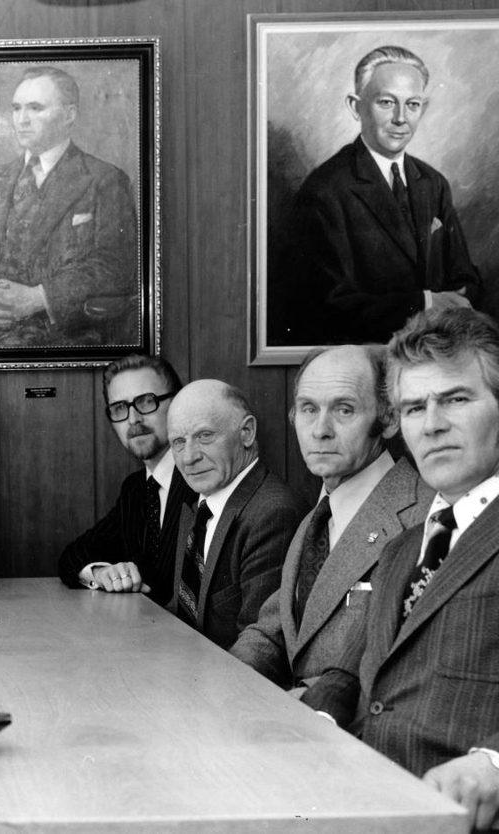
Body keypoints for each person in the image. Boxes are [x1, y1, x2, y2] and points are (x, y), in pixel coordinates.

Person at [302, 309, 499, 830]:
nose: (432, 424)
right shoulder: (402, 549)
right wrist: (311, 720)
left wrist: (495, 764)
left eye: (456, 399)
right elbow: (350, 671)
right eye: (414, 407)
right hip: (365, 798)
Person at [230, 345, 433, 692]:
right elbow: (276, 630)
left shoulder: (425, 519)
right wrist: (220, 681)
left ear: (388, 419)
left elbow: (411, 668)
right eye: (309, 409)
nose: (320, 430)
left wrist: (309, 701)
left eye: (344, 409)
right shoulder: (318, 515)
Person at [291, 45, 480, 344]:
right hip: (367, 354)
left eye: (412, 104)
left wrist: (458, 300)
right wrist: (426, 302)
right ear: (356, 107)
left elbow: (465, 277)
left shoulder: (433, 183)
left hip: (434, 353)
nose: (401, 118)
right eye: (387, 102)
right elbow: (330, 303)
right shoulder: (325, 190)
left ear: (423, 109)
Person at [0, 66, 138, 347]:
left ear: (69, 115)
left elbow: (115, 266)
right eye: (16, 108)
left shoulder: (105, 180)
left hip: (62, 338)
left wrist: (36, 299)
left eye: (35, 108)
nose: (22, 120)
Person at [167, 379, 307, 650]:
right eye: (178, 442)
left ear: (247, 433)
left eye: (205, 436)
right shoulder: (201, 504)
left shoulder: (273, 514)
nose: (188, 457)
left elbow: (262, 645)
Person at [57, 354, 196, 607]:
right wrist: (101, 572)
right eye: (120, 408)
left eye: (146, 401)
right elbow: (73, 555)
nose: (133, 420)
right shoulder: (136, 488)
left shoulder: (202, 479)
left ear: (178, 404)